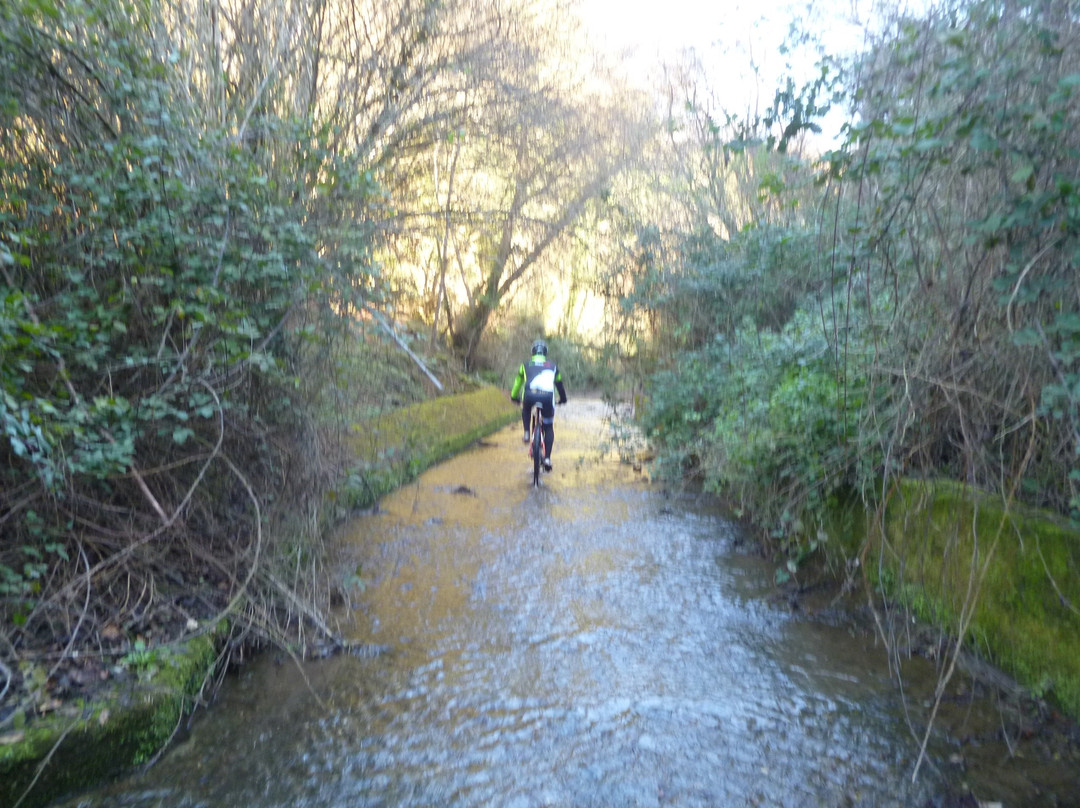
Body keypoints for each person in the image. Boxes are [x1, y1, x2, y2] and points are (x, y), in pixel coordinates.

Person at [509, 338, 567, 471]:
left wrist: (514, 397)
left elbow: (518, 383)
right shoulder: (553, 366)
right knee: (548, 426)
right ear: (545, 353)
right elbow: (559, 386)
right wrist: (563, 399)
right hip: (547, 398)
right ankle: (547, 458)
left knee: (526, 408)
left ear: (533, 352)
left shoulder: (525, 365)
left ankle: (527, 433)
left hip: (529, 396)